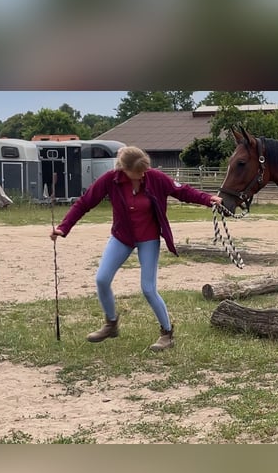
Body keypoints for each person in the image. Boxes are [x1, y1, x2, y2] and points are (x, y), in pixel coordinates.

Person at [50, 145, 222, 351]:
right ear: (124, 169)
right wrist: (63, 227)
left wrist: (208, 199)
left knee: (148, 289)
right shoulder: (110, 180)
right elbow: (84, 203)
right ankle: (111, 324)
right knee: (101, 279)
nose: (142, 175)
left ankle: (167, 334)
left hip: (148, 238)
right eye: (138, 172)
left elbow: (182, 191)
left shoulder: (155, 178)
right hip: (122, 237)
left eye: (144, 171)